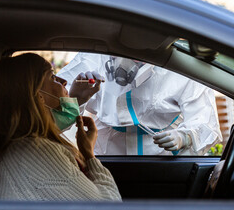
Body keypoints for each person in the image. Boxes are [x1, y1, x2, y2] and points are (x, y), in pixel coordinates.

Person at [0, 53, 121, 201]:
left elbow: (44, 128)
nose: (63, 81)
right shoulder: (36, 152)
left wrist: (74, 99)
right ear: (38, 96)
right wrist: (89, 155)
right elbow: (108, 207)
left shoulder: (19, 148)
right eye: (52, 77)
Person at [57, 52, 222, 156]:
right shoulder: (94, 57)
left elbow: (206, 122)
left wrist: (184, 137)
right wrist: (75, 99)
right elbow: (46, 110)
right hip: (107, 155)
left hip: (160, 158)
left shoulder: (179, 68)